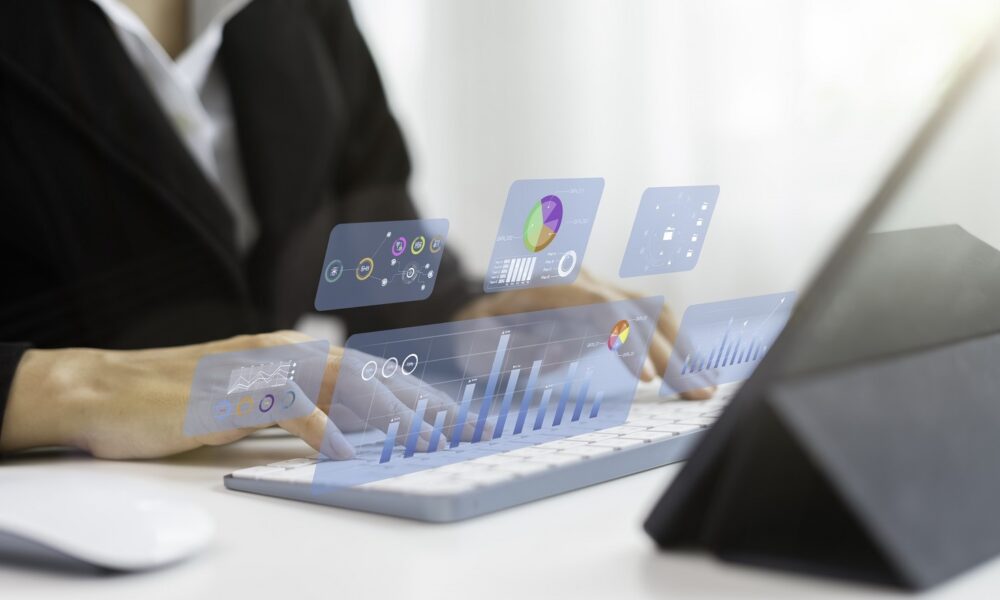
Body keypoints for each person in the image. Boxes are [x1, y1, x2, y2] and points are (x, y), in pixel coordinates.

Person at [0, 0, 706, 461]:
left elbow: (373, 250)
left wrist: (469, 322)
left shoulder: (303, 14)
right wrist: (70, 385)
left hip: (257, 507)